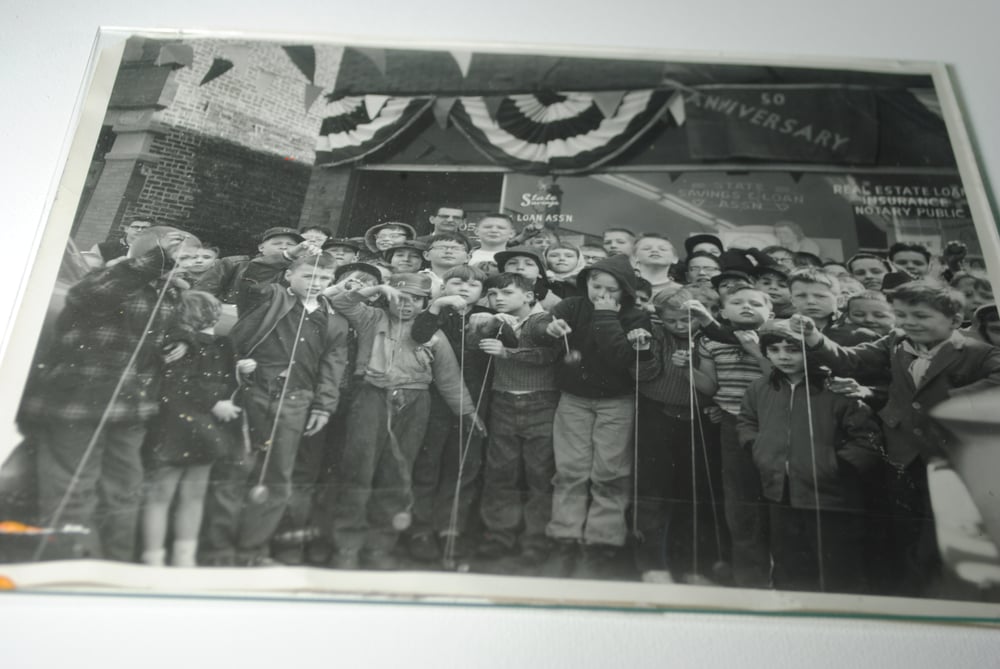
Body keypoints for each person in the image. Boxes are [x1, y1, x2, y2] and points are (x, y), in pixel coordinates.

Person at [794, 281, 1000, 596]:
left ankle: (941, 592)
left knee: (941, 530)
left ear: (955, 322)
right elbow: (852, 359)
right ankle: (911, 593)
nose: (909, 322)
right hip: (901, 453)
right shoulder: (895, 341)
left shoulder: (977, 351)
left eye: (920, 315)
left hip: (949, 456)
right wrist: (813, 337)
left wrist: (949, 401)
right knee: (905, 526)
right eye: (901, 314)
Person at [19, 225, 196, 560]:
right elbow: (90, 297)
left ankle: (113, 565)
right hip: (78, 399)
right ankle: (68, 566)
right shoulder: (109, 276)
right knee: (72, 488)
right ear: (152, 253)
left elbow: (174, 321)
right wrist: (154, 259)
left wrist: (184, 336)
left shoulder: (169, 291)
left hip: (130, 404)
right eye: (179, 255)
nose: (186, 263)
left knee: (125, 489)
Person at [199, 253, 350, 567]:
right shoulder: (267, 297)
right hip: (250, 393)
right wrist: (285, 254)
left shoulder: (334, 319)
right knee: (236, 469)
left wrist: (324, 405)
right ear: (289, 276)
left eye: (324, 279)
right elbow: (255, 273)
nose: (316, 284)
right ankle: (218, 550)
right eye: (308, 276)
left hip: (296, 401)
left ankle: (251, 550)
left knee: (278, 476)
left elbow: (332, 367)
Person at [326, 273, 480, 570]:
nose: (407, 304)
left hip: (415, 402)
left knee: (397, 471)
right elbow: (341, 300)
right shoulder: (371, 318)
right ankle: (346, 545)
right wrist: (377, 287)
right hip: (371, 397)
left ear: (426, 303)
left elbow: (448, 376)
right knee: (359, 467)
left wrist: (467, 411)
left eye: (416, 299)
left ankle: (379, 545)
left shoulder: (433, 331)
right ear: (389, 298)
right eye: (401, 297)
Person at [738, 321, 882, 593]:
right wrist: (757, 448)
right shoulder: (760, 387)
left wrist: (838, 466)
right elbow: (746, 420)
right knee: (787, 561)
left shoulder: (836, 389)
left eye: (793, 349)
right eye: (775, 349)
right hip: (779, 491)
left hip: (829, 495)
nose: (783, 356)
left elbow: (867, 438)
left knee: (836, 566)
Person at [544, 253, 654, 578]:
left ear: (626, 291)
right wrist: (546, 325)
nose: (602, 294)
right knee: (570, 470)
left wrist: (606, 317)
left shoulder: (636, 316)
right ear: (586, 283)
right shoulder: (571, 307)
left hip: (617, 402)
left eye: (611, 289)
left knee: (610, 472)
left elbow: (621, 358)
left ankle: (602, 542)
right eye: (596, 286)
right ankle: (565, 537)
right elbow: (543, 327)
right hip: (574, 399)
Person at [140, 291, 248, 567]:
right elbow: (183, 382)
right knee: (188, 496)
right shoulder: (206, 344)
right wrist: (213, 403)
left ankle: (158, 559)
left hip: (177, 426)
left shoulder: (191, 343)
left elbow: (177, 382)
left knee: (163, 496)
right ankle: (179, 560)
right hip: (199, 425)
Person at [630, 288, 723, 582]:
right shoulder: (655, 334)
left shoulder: (710, 335)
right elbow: (644, 375)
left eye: (687, 320)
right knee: (652, 492)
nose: (680, 326)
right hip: (656, 415)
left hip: (699, 420)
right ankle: (653, 565)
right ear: (660, 319)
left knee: (693, 493)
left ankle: (692, 566)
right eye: (672, 321)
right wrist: (643, 350)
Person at [468, 273, 561, 566]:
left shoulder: (543, 319)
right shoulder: (497, 321)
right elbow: (473, 346)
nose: (498, 299)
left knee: (540, 475)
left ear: (530, 297)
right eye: (493, 294)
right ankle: (499, 536)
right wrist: (483, 326)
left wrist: (507, 352)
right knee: (500, 473)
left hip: (541, 402)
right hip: (504, 401)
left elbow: (547, 352)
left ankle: (536, 539)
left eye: (507, 293)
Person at [685, 286, 773, 587]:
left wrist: (756, 351)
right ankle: (750, 578)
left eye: (755, 302)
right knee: (740, 501)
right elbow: (709, 387)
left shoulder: (774, 337)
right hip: (732, 423)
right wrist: (688, 370)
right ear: (722, 312)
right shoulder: (710, 340)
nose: (746, 306)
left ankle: (782, 574)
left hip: (773, 423)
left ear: (770, 312)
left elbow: (779, 378)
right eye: (737, 302)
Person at [407, 265, 492, 563]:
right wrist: (436, 308)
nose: (465, 288)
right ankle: (420, 529)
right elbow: (418, 335)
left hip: (476, 399)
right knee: (427, 464)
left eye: (474, 285)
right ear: (443, 286)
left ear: (483, 292)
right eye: (457, 282)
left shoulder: (486, 316)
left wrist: (495, 321)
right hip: (433, 400)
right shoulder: (433, 313)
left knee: (463, 465)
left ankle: (450, 529)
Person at [194, 227, 316, 317]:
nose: (284, 247)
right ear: (261, 247)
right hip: (228, 319)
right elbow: (202, 294)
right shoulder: (233, 263)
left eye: (290, 244)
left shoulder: (298, 271)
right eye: (277, 243)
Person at [495, 246, 561, 311]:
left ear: (540, 273)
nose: (520, 267)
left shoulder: (553, 302)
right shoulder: (490, 297)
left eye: (529, 264)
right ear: (503, 270)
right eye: (512, 263)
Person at [422, 232, 471, 297]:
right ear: (427, 255)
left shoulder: (474, 280)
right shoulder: (416, 278)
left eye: (456, 249)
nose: (448, 251)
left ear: (467, 258)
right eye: (441, 248)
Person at [87, 218, 154, 266]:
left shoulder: (154, 251)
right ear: (126, 229)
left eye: (145, 228)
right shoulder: (102, 247)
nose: (139, 230)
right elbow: (92, 271)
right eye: (136, 227)